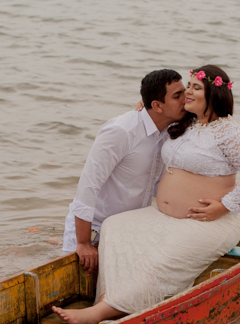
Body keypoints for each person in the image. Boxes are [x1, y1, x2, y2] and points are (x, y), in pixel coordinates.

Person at [53, 65, 240, 324]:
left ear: (213, 94)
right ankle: (109, 300)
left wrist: (224, 206)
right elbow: (157, 112)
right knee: (114, 226)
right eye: (186, 88)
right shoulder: (184, 124)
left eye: (194, 88)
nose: (187, 92)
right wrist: (146, 106)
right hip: (167, 217)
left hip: (209, 221)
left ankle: (99, 314)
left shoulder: (230, 133)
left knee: (162, 262)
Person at [62, 69, 186, 275]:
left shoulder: (169, 132)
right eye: (177, 96)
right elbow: (87, 187)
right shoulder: (121, 131)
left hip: (128, 233)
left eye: (184, 92)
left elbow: (158, 188)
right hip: (93, 232)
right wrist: (84, 243)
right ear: (157, 105)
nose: (186, 99)